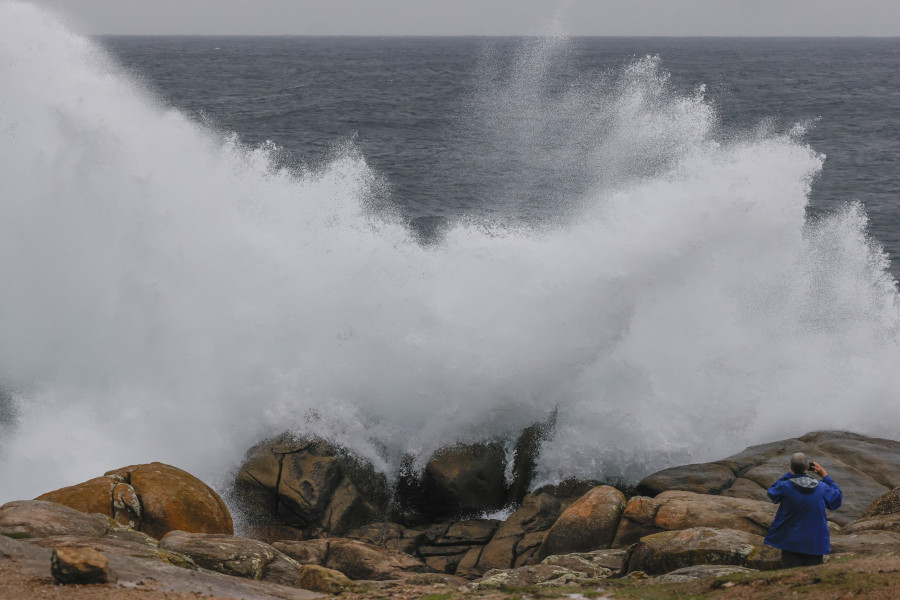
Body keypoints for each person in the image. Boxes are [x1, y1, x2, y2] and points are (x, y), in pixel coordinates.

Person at [763, 452, 842, 568]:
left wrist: (789, 474)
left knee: (791, 577)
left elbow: (772, 491)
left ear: (791, 468)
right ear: (807, 468)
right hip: (815, 543)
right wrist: (825, 476)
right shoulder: (822, 487)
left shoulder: (785, 487)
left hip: (790, 542)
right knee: (811, 578)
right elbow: (837, 498)